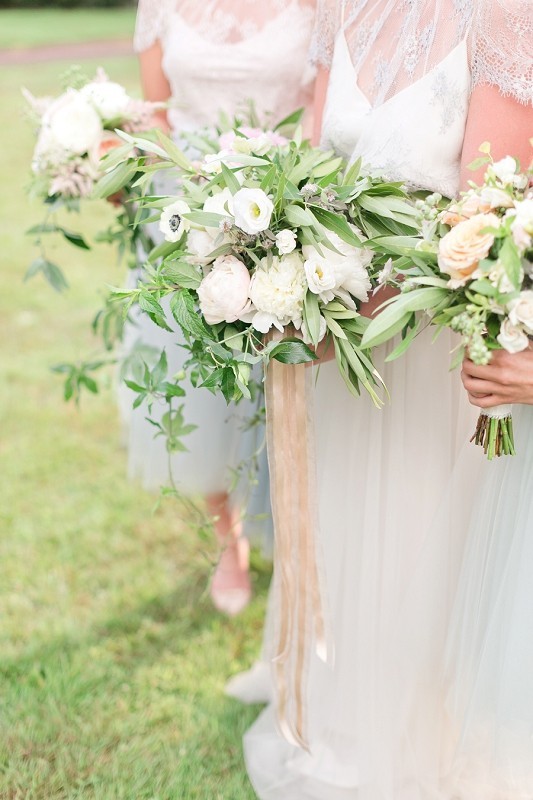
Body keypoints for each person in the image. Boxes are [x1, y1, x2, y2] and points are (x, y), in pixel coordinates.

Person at [243, 1, 532, 797]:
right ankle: (342, 715)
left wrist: (348, 303)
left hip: (428, 354)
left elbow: (480, 220)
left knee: (416, 545)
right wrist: (284, 281)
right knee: (344, 531)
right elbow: (306, 173)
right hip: (340, 349)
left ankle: (421, 742)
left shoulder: (504, 19)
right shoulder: (343, 9)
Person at [125, 0, 316, 616]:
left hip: (283, 214)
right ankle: (226, 540)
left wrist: (273, 206)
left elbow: (324, 108)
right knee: (198, 391)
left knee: (286, 387)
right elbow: (156, 118)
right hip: (184, 220)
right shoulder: (159, 6)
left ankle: (298, 541)